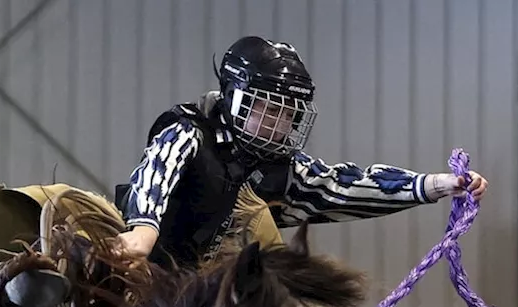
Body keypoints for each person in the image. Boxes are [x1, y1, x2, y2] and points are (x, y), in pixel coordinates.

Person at [113, 36, 488, 269]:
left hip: (204, 296)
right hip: (136, 265)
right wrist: (143, 229)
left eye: (289, 114)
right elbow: (155, 174)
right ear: (234, 97)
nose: (280, 124)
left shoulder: (283, 170)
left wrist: (438, 185)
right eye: (270, 109)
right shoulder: (189, 130)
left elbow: (346, 185)